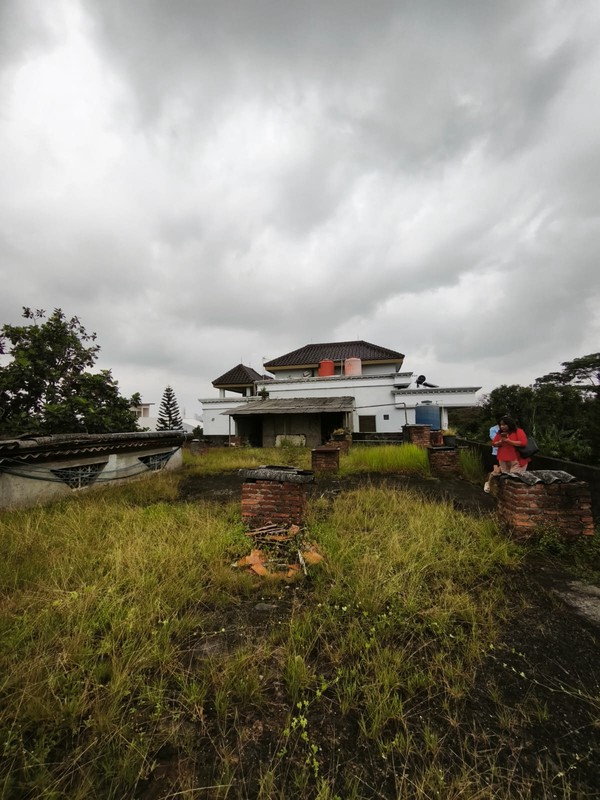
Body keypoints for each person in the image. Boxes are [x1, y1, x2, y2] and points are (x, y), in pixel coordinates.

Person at [483, 416, 529, 492]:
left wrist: (509, 441)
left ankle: (513, 496)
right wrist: (500, 442)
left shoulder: (518, 431)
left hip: (516, 459)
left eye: (504, 425)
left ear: (509, 424)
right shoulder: (500, 433)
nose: (502, 427)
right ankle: (505, 496)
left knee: (513, 478)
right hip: (503, 458)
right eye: (501, 425)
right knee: (505, 478)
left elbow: (523, 443)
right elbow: (494, 443)